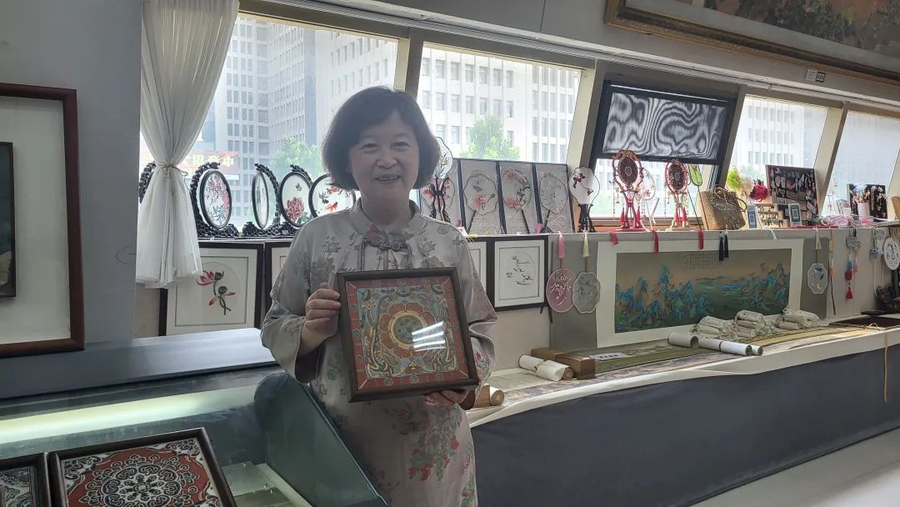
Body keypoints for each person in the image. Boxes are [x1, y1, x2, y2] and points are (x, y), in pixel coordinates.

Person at [260, 86, 497, 506]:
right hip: (342, 447)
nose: (386, 159)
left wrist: (462, 383)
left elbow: (479, 329)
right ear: (346, 159)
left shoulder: (449, 242)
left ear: (420, 154)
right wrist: (310, 331)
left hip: (434, 453)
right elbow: (275, 324)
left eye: (400, 144)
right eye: (369, 146)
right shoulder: (316, 238)